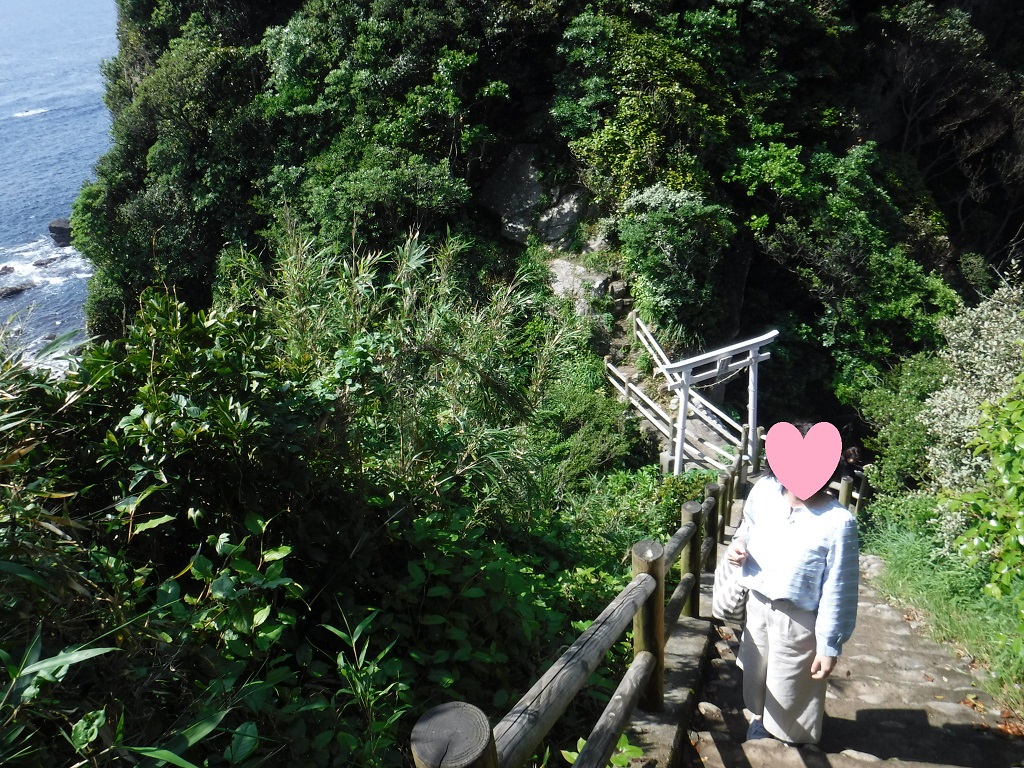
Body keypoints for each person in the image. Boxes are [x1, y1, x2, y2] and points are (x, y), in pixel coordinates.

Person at [725, 430, 860, 745]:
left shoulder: (839, 522)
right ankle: (759, 721)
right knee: (756, 675)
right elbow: (747, 527)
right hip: (757, 605)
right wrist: (738, 544)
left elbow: (839, 589)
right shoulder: (764, 491)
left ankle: (787, 740)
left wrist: (829, 646)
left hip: (799, 618)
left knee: (792, 685)